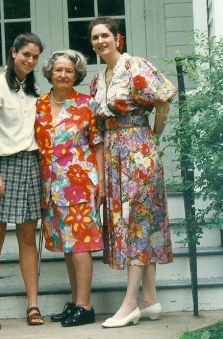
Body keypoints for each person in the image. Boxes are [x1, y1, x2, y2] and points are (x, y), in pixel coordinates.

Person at [88, 17, 177, 328]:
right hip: (114, 155)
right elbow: (97, 126)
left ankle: (129, 305)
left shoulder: (134, 66)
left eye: (105, 36)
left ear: (118, 38)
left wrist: (155, 133)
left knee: (137, 222)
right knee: (137, 221)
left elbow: (164, 97)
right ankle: (149, 298)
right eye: (95, 37)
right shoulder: (98, 80)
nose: (100, 42)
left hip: (138, 151)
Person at [0, 32, 44, 330]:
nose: (30, 60)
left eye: (35, 57)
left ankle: (33, 304)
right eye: (26, 54)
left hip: (29, 165)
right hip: (0, 166)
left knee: (28, 240)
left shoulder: (33, 89)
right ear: (13, 52)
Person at [35, 49, 104, 327]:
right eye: (59, 70)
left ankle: (85, 307)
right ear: (50, 72)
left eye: (69, 71)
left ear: (77, 75)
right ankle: (76, 301)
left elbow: (98, 144)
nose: (63, 74)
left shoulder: (88, 104)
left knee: (80, 243)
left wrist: (100, 182)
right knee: (67, 244)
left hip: (80, 183)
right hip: (50, 184)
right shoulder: (38, 104)